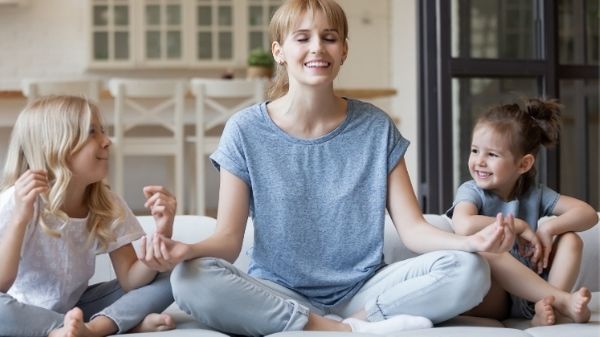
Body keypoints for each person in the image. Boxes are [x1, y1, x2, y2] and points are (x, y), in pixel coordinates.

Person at [140, 0, 517, 336]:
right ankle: (343, 330)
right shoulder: (244, 130)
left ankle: (358, 322)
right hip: (277, 290)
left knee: (470, 269)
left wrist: (470, 243)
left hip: (364, 291)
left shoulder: (375, 127)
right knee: (189, 279)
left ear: (344, 50)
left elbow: (414, 229)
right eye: (301, 38)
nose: (317, 47)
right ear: (279, 52)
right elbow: (227, 240)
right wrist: (184, 250)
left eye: (329, 37)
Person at [0, 95, 178, 337]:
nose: (107, 141)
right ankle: (103, 325)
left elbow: (130, 280)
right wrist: (21, 217)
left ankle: (93, 329)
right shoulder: (17, 200)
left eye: (102, 131)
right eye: (91, 132)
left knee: (176, 275)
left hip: (78, 307)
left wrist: (162, 234)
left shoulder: (106, 202)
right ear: (53, 145)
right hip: (20, 311)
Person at [447, 98, 597, 326]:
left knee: (571, 240)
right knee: (489, 249)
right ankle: (561, 302)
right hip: (497, 294)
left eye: (492, 155)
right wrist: (519, 225)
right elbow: (464, 225)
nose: (479, 161)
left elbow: (588, 214)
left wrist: (549, 227)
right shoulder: (471, 191)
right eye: (475, 150)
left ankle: (547, 307)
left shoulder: (533, 193)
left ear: (524, 165)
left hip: (537, 283)